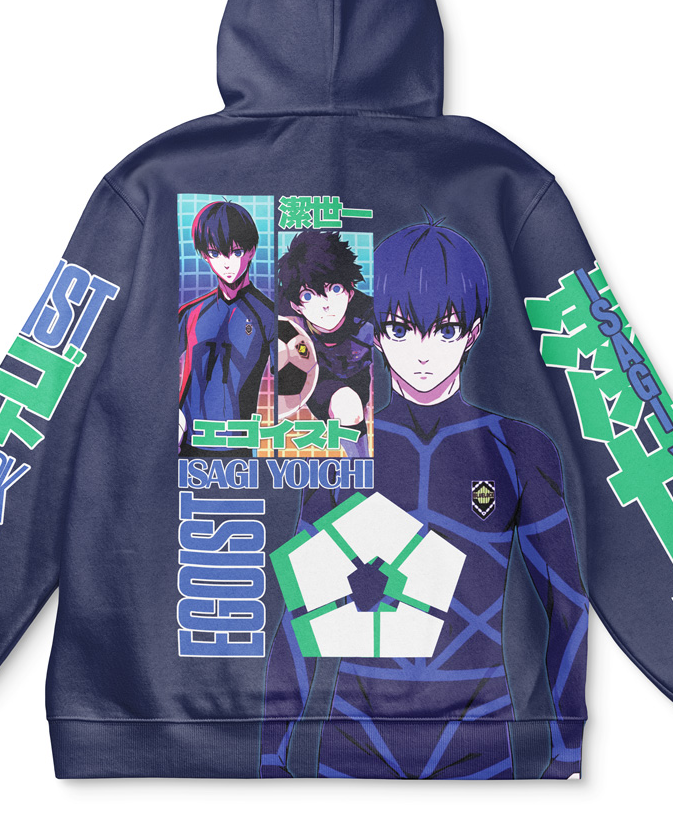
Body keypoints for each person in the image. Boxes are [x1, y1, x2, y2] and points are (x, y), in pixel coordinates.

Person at [260, 217, 589, 779]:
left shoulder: (518, 447)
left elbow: (565, 605)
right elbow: (300, 612)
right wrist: (270, 752)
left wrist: (567, 750)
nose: (422, 353)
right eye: (400, 329)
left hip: (482, 738)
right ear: (376, 333)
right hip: (352, 739)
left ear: (473, 332)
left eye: (444, 330)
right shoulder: (346, 449)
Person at [178, 200, 275, 457]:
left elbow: (291, 383)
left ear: (251, 251)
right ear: (204, 256)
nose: (227, 263)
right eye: (216, 253)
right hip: (186, 440)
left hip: (237, 447)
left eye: (236, 252)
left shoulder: (268, 316)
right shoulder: (191, 313)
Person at [277, 230, 374, 453]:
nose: (325, 304)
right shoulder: (283, 312)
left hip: (356, 373)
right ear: (296, 305)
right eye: (309, 296)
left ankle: (363, 466)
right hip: (316, 374)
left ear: (350, 290)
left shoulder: (370, 315)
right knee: (347, 405)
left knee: (355, 408)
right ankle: (360, 468)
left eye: (335, 289)